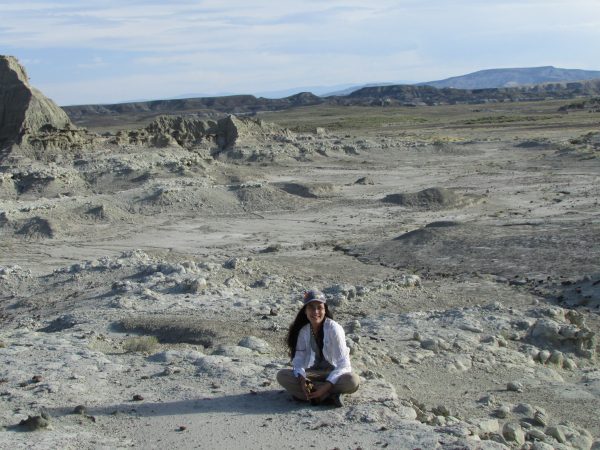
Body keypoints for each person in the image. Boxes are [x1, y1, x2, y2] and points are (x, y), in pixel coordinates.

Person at [276, 289, 359, 407]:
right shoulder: (303, 331)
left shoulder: (334, 329)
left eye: (319, 307)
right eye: (311, 307)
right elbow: (298, 362)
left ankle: (314, 394)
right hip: (313, 374)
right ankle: (330, 396)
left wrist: (326, 386)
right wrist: (302, 381)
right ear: (305, 310)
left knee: (352, 380)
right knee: (282, 376)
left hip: (333, 373)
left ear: (325, 310)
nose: (315, 311)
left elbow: (344, 365)